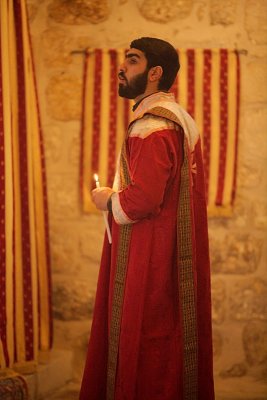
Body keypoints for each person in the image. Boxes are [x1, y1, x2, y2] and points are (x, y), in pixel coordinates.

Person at [80, 37, 215, 400]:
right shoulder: (177, 121)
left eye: (133, 61)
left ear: (155, 73)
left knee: (146, 344)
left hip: (148, 254)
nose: (122, 68)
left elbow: (142, 200)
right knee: (171, 337)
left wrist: (106, 200)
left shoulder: (152, 128)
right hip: (172, 248)